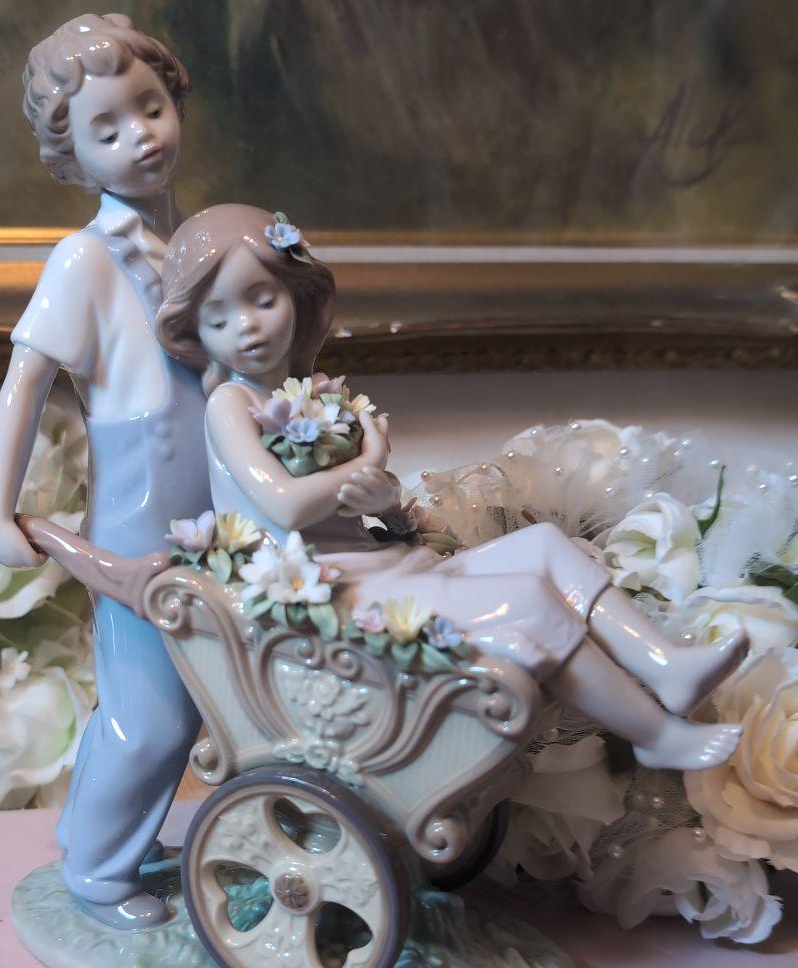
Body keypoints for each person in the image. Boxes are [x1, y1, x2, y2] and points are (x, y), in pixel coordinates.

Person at [156, 204, 748, 772]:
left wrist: (382, 499)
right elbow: (285, 505)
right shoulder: (231, 404)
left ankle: (664, 665)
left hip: (374, 563)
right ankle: (656, 736)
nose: (247, 326)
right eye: (219, 318)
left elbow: (359, 504)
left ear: (297, 295)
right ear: (197, 332)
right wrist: (371, 457)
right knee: (526, 599)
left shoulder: (313, 394)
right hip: (320, 591)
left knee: (545, 546)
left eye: (263, 300)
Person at [0, 14, 208, 930]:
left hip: (210, 507)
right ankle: (98, 875)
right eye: (105, 129)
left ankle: (93, 831)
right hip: (139, 509)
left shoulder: (193, 242)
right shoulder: (85, 257)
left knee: (195, 699)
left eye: (149, 108)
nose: (139, 137)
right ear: (71, 155)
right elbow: (25, 383)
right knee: (152, 715)